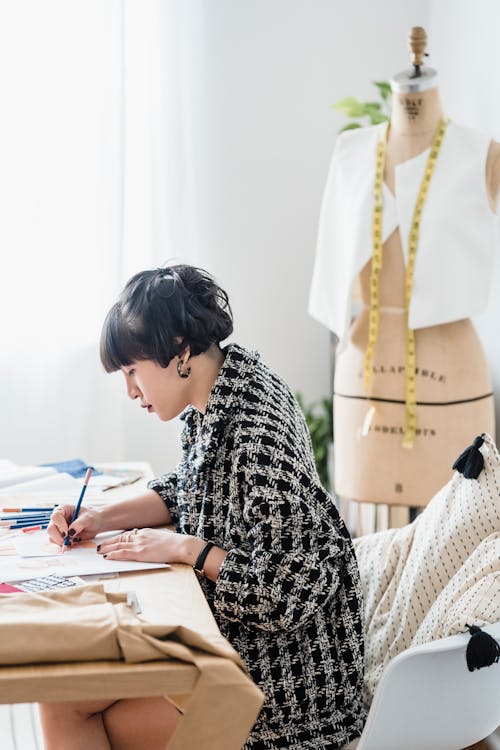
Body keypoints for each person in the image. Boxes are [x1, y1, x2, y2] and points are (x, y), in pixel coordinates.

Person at [41, 264, 365, 750]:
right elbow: (190, 488)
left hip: (284, 694)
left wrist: (188, 549)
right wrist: (101, 517)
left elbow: (289, 591)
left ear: (179, 350)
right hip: (236, 650)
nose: (130, 391)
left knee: (73, 707)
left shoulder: (258, 433)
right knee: (63, 696)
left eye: (133, 371)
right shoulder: (218, 389)